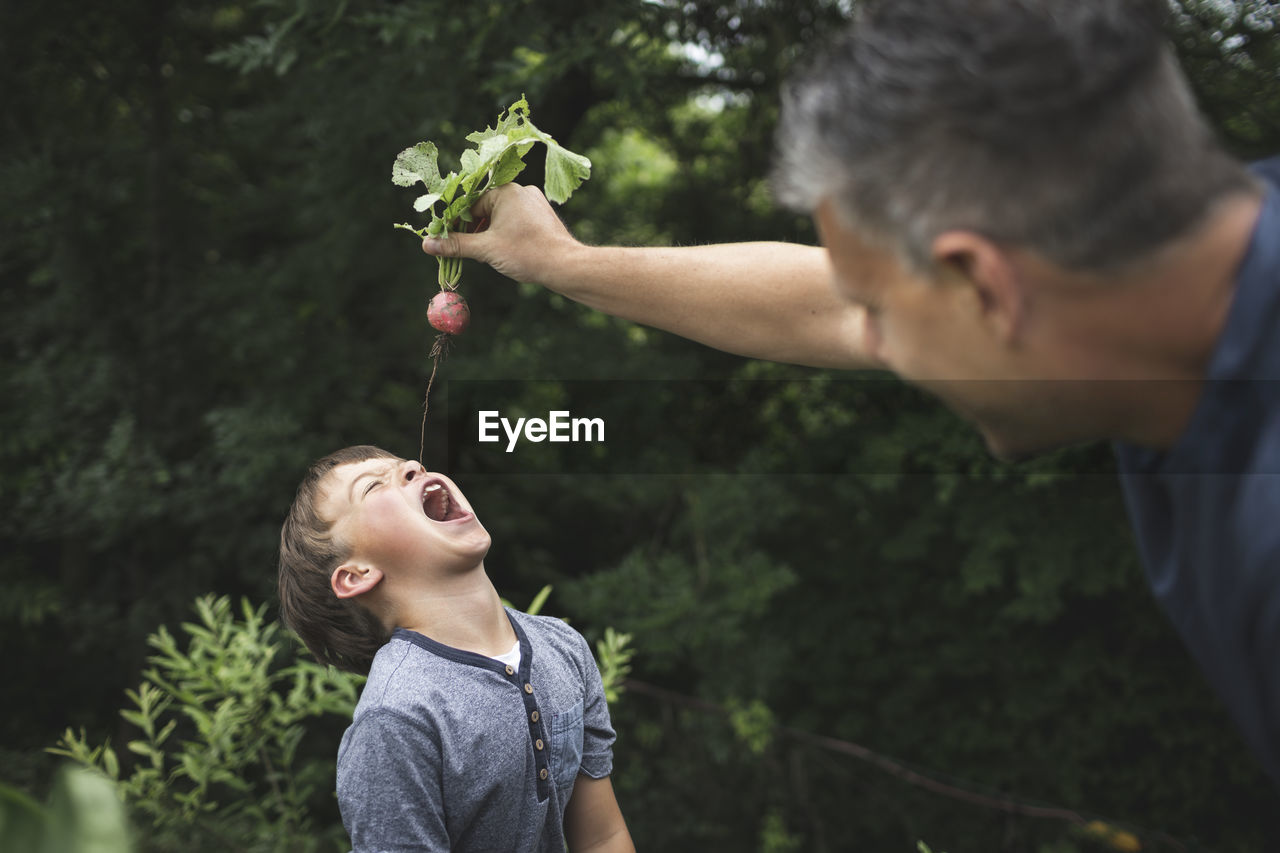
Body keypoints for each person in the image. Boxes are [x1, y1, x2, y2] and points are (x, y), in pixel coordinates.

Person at [419, 0, 1280, 787]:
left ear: (985, 286)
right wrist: (562, 263)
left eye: (879, 312)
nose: (862, 338)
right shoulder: (1174, 269)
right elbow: (822, 299)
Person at [277, 445, 634, 852]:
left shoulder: (563, 646)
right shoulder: (396, 719)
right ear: (357, 575)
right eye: (373, 486)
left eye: (406, 466)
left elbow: (603, 838)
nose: (412, 468)